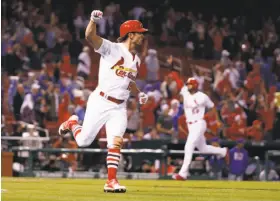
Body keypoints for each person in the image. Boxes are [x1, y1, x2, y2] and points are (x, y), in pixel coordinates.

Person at [58, 10, 148, 193]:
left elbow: (129, 82)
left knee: (115, 142)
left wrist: (139, 93)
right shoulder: (112, 48)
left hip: (119, 106)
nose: (142, 36)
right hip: (101, 101)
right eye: (140, 33)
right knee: (83, 141)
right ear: (131, 34)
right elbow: (90, 35)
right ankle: (73, 123)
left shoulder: (136, 60)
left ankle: (111, 181)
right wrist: (92, 20)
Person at [172, 77, 229, 180]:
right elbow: (179, 88)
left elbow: (213, 107)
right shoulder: (185, 92)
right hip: (190, 125)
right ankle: (223, 152)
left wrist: (217, 120)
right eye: (188, 84)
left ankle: (183, 174)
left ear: (195, 85)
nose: (188, 85)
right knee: (203, 148)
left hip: (199, 123)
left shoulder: (203, 96)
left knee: (188, 146)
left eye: (190, 84)